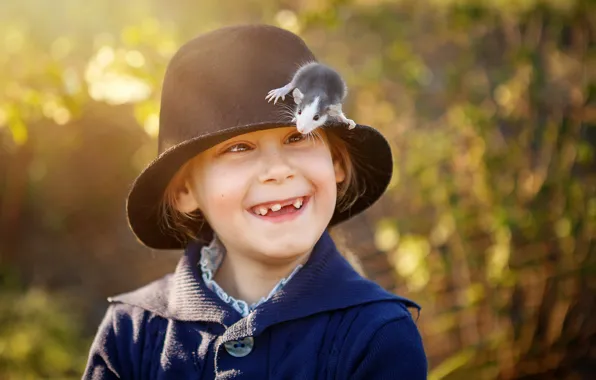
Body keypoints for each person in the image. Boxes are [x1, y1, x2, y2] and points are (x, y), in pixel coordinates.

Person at [83, 24, 427, 379]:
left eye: (297, 137)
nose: (278, 171)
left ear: (336, 163)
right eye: (238, 148)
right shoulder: (132, 332)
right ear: (185, 190)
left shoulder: (378, 334)